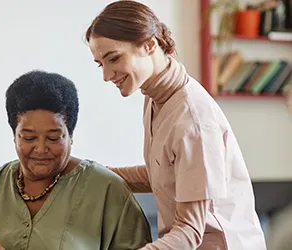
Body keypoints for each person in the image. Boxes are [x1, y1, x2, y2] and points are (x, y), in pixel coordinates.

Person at [85, 1, 267, 249]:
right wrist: (88, 174)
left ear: (149, 45)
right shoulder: (154, 96)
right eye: (101, 64)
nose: (106, 75)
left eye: (114, 59)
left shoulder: (193, 120)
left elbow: (190, 232)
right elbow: (165, 174)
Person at [0, 70, 152, 250]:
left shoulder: (107, 190)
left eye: (54, 138)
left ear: (71, 135)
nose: (41, 149)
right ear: (14, 135)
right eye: (28, 138)